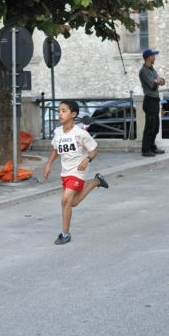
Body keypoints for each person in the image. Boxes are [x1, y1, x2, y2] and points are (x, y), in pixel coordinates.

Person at [43, 100, 109, 245]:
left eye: (64, 111)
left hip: (78, 171)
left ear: (73, 114)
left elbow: (93, 151)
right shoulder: (58, 132)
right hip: (65, 172)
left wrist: (87, 160)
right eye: (59, 110)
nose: (60, 113)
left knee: (65, 200)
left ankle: (65, 234)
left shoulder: (81, 134)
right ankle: (96, 182)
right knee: (72, 203)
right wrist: (48, 164)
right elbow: (55, 150)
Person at [139, 48, 165, 157]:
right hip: (149, 100)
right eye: (154, 55)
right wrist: (157, 81)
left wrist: (158, 80)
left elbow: (162, 81)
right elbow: (152, 85)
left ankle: (152, 147)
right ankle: (145, 150)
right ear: (149, 57)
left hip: (155, 100)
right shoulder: (143, 71)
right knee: (150, 126)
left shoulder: (152, 70)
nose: (155, 57)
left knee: (155, 127)